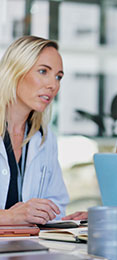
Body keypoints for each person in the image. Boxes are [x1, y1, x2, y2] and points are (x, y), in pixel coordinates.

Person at [0, 36, 69, 225]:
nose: (53, 85)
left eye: (58, 77)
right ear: (15, 70)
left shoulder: (45, 138)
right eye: (43, 71)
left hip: (26, 249)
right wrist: (8, 217)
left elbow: (57, 205)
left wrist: (69, 220)